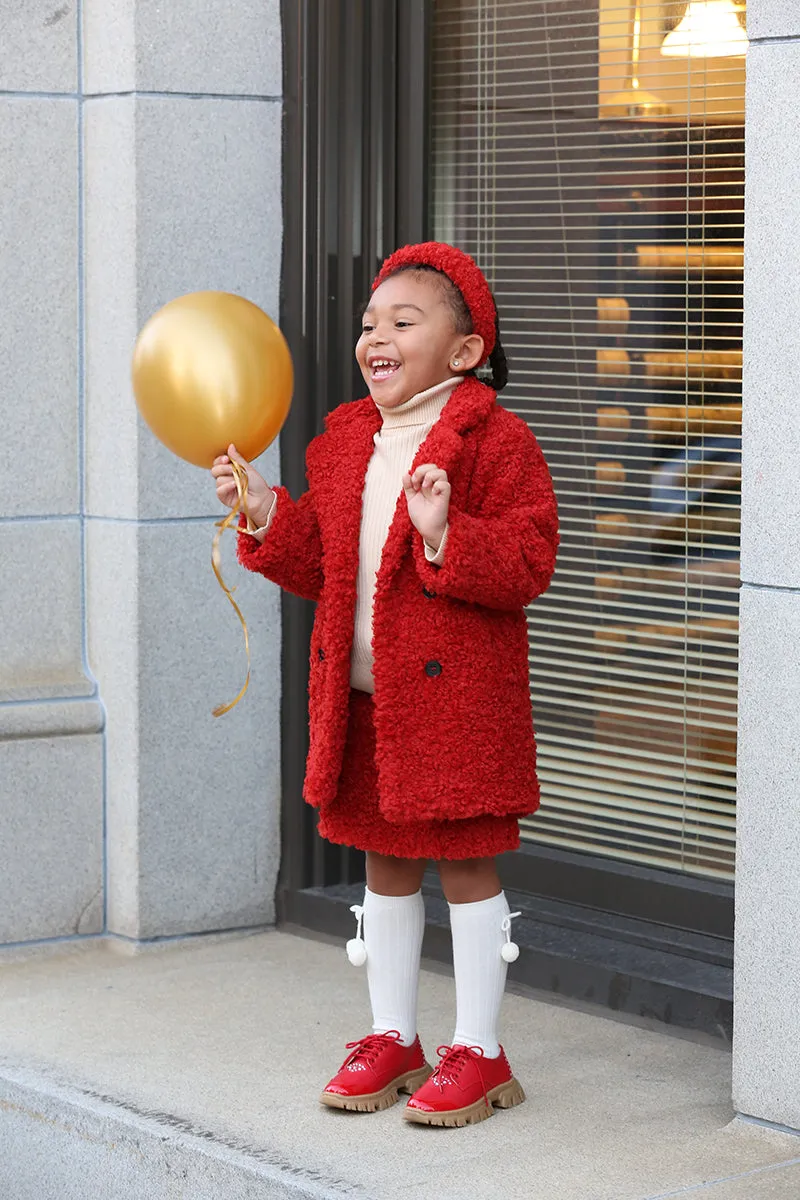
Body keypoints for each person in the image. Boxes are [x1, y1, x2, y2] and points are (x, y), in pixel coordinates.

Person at [211, 242, 559, 1127]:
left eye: (405, 322)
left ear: (465, 351)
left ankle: (479, 1050)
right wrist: (262, 512)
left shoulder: (496, 439)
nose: (377, 337)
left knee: (467, 865)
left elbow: (529, 560)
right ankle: (394, 1035)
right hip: (367, 703)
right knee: (385, 864)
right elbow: (325, 563)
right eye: (370, 324)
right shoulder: (344, 442)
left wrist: (446, 535)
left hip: (455, 709)